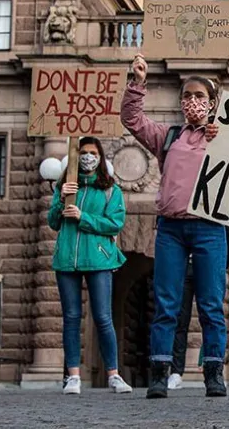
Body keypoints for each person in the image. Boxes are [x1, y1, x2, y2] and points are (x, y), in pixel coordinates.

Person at [121, 52, 229, 399]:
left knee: (211, 304)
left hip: (210, 228)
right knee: (166, 304)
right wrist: (137, 82)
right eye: (187, 96)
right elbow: (133, 120)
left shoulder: (225, 136)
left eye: (200, 96)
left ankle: (214, 374)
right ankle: (159, 374)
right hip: (171, 229)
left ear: (212, 103)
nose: (192, 101)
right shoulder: (168, 137)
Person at [48, 136, 132, 395]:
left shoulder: (110, 190)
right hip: (66, 260)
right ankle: (73, 376)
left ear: (100, 157)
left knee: (103, 317)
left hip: (98, 258)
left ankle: (113, 374)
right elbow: (53, 222)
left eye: (93, 153)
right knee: (71, 318)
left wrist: (84, 217)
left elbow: (114, 223)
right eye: (83, 152)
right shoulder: (64, 187)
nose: (87, 157)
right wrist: (62, 201)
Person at [169, 230, 229, 390]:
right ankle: (176, 372)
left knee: (212, 318)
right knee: (180, 319)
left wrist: (222, 263)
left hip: (210, 266)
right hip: (184, 267)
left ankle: (213, 370)